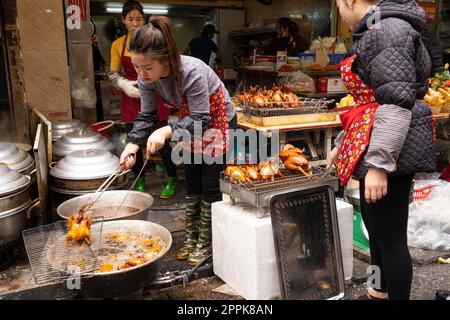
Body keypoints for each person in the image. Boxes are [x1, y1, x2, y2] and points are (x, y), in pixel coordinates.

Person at [327, 0, 435, 300]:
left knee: (390, 240)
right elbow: (369, 101)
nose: (340, 13)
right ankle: (377, 292)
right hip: (373, 139)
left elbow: (395, 102)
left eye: (338, 6)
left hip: (390, 150)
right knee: (377, 234)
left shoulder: (387, 30)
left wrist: (378, 165)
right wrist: (342, 145)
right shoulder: (376, 27)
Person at [119, 16, 237, 266]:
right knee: (192, 180)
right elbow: (147, 115)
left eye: (147, 68)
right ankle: (193, 237)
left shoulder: (191, 72)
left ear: (166, 60)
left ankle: (208, 242)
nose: (141, 74)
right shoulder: (146, 77)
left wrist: (164, 132)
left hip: (216, 120)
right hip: (189, 120)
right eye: (137, 67)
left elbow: (202, 118)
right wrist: (132, 144)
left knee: (210, 184)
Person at [109, 1, 177, 197]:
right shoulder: (118, 45)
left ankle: (172, 178)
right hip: (131, 100)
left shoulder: (154, 41)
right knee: (134, 141)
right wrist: (123, 84)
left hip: (157, 95)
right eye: (130, 19)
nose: (135, 23)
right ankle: (139, 180)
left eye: (139, 18)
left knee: (163, 141)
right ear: (123, 21)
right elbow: (113, 74)